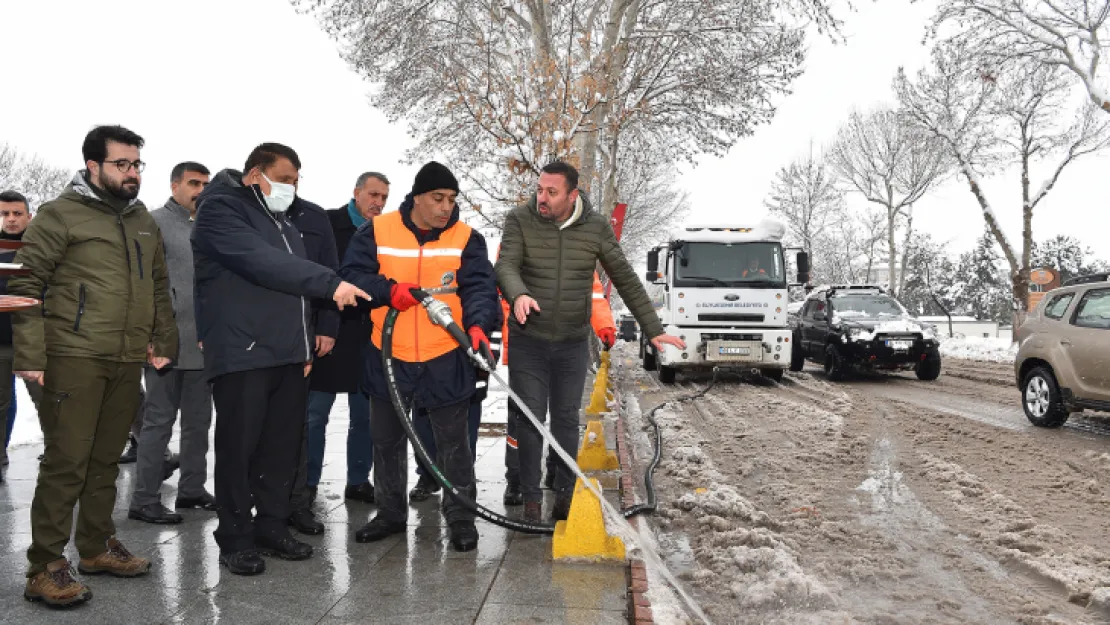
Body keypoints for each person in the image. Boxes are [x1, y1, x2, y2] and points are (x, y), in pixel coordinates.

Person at [9, 125, 178, 608]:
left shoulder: (143, 220)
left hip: (125, 358)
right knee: (67, 462)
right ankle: (44, 565)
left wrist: (162, 338)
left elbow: (158, 283)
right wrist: (32, 355)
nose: (132, 174)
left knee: (105, 460)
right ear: (93, 167)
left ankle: (97, 546)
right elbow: (25, 286)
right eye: (122, 164)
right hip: (73, 356)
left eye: (136, 165)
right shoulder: (60, 215)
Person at [192, 143, 369, 577]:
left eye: (296, 180)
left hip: (287, 354)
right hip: (242, 353)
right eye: (285, 178)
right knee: (239, 448)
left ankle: (270, 525)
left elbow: (293, 292)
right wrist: (331, 284)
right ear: (256, 175)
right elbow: (264, 264)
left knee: (281, 448)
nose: (292, 187)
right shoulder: (220, 213)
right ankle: (234, 536)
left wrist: (303, 346)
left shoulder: (284, 221)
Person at [494, 161, 685, 523]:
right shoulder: (520, 219)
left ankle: (564, 496)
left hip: (570, 342)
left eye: (552, 192)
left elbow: (625, 277)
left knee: (566, 418)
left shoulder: (595, 227)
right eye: (539, 189)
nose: (542, 198)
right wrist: (517, 294)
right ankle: (532, 503)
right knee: (531, 419)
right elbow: (505, 265)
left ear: (572, 195)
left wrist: (653, 328)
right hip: (528, 341)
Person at [339, 161, 499, 552]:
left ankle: (461, 517)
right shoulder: (376, 230)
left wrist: (477, 326)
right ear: (417, 197)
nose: (446, 207)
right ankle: (390, 513)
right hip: (388, 352)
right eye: (438, 198)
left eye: (451, 199)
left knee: (453, 442)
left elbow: (480, 288)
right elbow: (353, 275)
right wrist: (387, 290)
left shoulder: (466, 238)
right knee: (387, 440)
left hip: (444, 352)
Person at [127, 162, 216, 525]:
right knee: (158, 423)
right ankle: (144, 499)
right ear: (175, 184)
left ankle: (192, 489)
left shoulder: (210, 226)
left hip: (204, 344)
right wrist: (148, 335)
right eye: (193, 183)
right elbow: (140, 284)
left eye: (205, 184)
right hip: (164, 341)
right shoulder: (152, 223)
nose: (200, 190)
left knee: (198, 422)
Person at [301, 172, 390, 518]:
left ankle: (358, 480)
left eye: (384, 197)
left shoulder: (386, 232)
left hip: (368, 336)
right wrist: (321, 324)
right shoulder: (328, 223)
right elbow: (318, 275)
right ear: (356, 193)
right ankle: (307, 483)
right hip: (329, 330)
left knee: (365, 415)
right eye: (373, 195)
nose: (378, 203)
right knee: (315, 414)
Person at [500, 271, 616, 506]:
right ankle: (516, 479)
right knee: (522, 417)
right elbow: (504, 293)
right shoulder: (516, 243)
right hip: (526, 346)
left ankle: (556, 469)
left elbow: (592, 293)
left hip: (564, 347)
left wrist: (604, 323)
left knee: (562, 415)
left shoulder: (574, 248)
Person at [286, 193, 341, 536]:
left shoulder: (314, 217)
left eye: (294, 178)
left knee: (301, 423)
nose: (288, 185)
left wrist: (325, 326)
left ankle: (298, 502)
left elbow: (328, 274)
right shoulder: (242, 216)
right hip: (255, 338)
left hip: (302, 334)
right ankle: (259, 503)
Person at [408, 328, 501, 502]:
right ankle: (428, 475)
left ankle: (461, 484)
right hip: (428, 361)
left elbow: (491, 318)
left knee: (465, 433)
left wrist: (489, 356)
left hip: (469, 367)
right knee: (422, 425)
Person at [0, 190, 35, 480]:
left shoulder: (41, 247)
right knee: (2, 402)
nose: (10, 219)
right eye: (4, 214)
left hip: (38, 339)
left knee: (52, 403)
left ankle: (63, 456)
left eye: (16, 213)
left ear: (28, 216)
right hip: (1, 341)